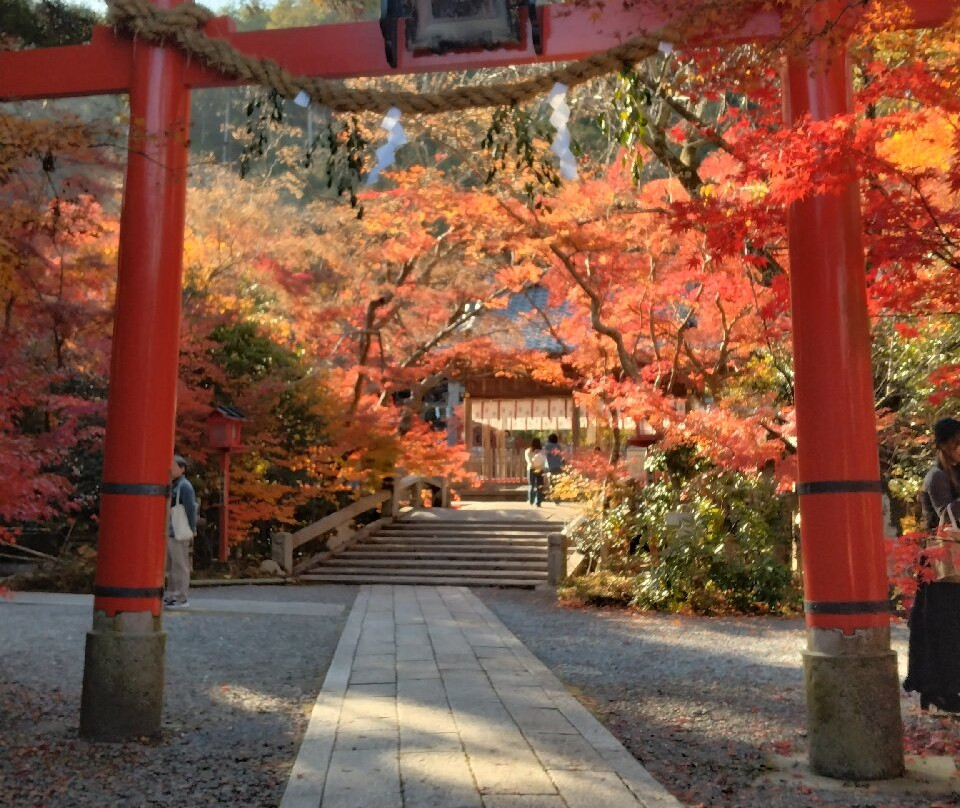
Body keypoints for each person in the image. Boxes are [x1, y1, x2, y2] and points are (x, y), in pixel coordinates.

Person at [904, 417, 960, 712]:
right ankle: (937, 689)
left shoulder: (955, 473)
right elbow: (946, 513)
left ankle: (948, 688)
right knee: (940, 626)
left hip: (953, 559)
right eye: (956, 443)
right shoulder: (936, 476)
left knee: (952, 625)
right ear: (944, 445)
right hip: (938, 560)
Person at [165, 454, 197, 608]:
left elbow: (191, 508)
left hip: (179, 529)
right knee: (171, 565)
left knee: (180, 565)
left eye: (173, 466)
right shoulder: (174, 484)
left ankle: (181, 596)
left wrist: (192, 528)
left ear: (182, 468)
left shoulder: (185, 486)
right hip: (172, 530)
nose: (170, 469)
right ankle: (171, 594)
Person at [524, 438, 547, 507]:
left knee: (532, 484)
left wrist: (533, 463)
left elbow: (529, 460)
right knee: (539, 485)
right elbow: (544, 460)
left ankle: (531, 500)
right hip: (540, 469)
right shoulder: (542, 450)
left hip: (531, 469)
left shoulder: (528, 451)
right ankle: (538, 502)